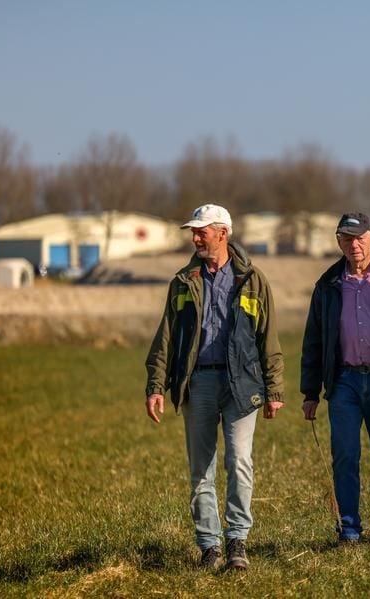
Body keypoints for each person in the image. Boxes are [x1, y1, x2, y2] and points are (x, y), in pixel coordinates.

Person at [144, 204, 285, 571]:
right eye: (193, 232)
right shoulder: (182, 281)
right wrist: (156, 385)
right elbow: (166, 337)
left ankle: (237, 540)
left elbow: (268, 338)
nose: (195, 238)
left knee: (239, 461)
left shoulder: (253, 279)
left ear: (222, 233)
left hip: (242, 383)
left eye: (201, 231)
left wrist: (275, 389)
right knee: (200, 469)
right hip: (198, 382)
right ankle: (210, 546)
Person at [300, 213, 370, 543]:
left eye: (360, 237)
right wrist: (310, 391)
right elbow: (314, 340)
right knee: (346, 454)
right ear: (339, 242)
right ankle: (349, 528)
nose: (354, 244)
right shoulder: (328, 285)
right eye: (347, 238)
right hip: (344, 381)